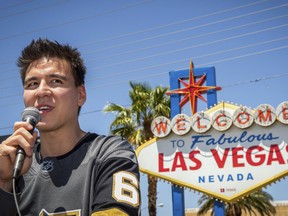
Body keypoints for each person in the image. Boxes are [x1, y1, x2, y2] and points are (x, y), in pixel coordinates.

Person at [0, 38, 141, 216]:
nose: (41, 91)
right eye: (32, 84)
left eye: (56, 81)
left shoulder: (110, 152)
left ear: (80, 95)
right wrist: (3, 183)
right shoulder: (11, 161)